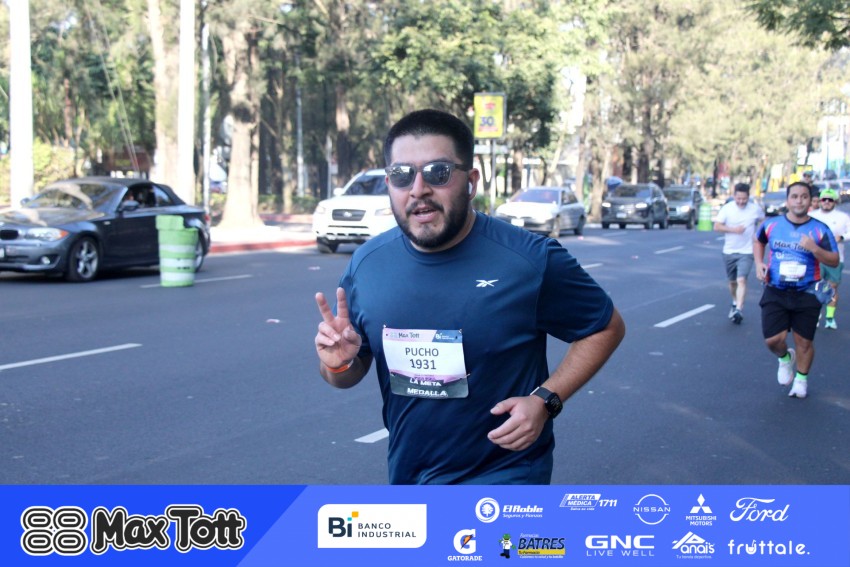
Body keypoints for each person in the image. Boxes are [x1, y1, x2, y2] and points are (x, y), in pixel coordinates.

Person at [313, 109, 625, 484]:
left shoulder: (529, 259)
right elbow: (347, 374)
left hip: (504, 476)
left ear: (471, 181)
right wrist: (337, 365)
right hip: (410, 475)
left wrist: (546, 400)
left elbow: (605, 327)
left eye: (438, 172)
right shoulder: (367, 265)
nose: (418, 189)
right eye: (401, 175)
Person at [754, 182, 839, 399]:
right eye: (794, 196)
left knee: (804, 342)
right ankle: (784, 358)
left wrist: (814, 248)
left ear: (810, 201)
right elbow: (758, 240)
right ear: (787, 200)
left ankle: (801, 380)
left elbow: (834, 260)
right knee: (772, 340)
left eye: (804, 196)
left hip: (808, 291)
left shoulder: (820, 229)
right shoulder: (771, 224)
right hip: (776, 289)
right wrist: (758, 263)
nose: (799, 201)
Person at [714, 183, 764, 324]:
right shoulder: (727, 209)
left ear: (748, 197)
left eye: (744, 199)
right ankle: (735, 301)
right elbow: (717, 226)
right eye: (738, 198)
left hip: (747, 251)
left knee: (741, 279)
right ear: (734, 196)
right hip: (729, 250)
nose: (741, 201)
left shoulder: (755, 209)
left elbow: (763, 221)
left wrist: (758, 234)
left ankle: (738, 310)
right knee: (732, 282)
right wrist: (733, 230)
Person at [810, 188, 850, 329]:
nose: (827, 202)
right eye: (824, 199)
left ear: (835, 202)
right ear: (820, 201)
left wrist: (842, 237)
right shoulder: (812, 216)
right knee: (814, 288)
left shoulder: (843, 217)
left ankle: (829, 318)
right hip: (815, 258)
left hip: (835, 258)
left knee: (831, 288)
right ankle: (814, 316)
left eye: (830, 200)